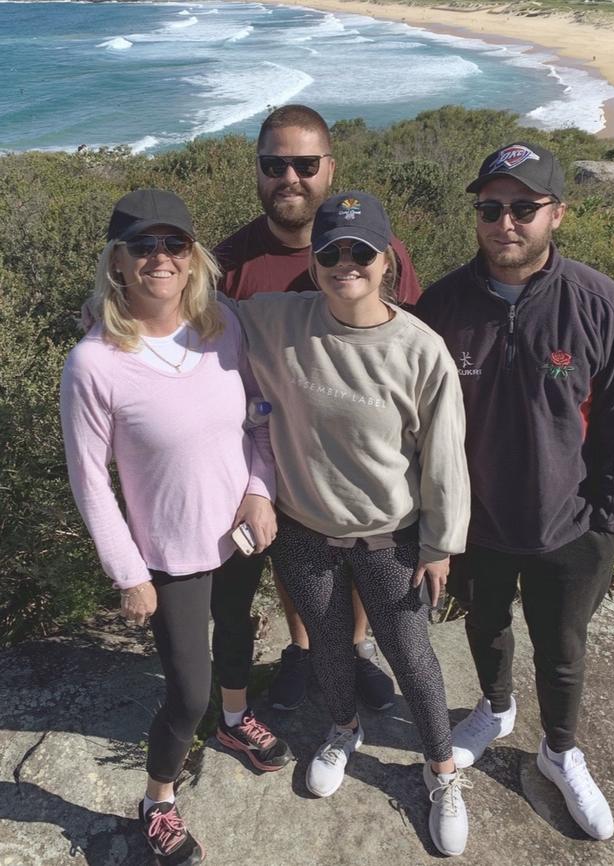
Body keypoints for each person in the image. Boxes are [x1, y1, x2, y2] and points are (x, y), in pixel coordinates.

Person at [222, 191, 472, 857]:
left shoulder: (421, 351)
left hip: (390, 538)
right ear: (313, 260)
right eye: (329, 251)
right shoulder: (278, 320)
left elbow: (445, 458)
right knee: (329, 647)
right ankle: (342, 729)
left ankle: (442, 772)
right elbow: (199, 314)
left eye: (359, 251)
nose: (344, 263)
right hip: (305, 531)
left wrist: (441, 544)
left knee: (413, 659)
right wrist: (112, 312)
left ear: (386, 260)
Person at [415, 142, 614, 841]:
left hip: (569, 527)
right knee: (486, 627)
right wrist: (434, 529)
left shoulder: (599, 303)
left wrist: (609, 522)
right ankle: (496, 707)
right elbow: (419, 424)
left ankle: (560, 750)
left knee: (563, 648)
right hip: (476, 527)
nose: (504, 222)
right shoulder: (443, 305)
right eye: (490, 207)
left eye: (522, 207)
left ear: (557, 214)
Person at [60, 189, 291, 866]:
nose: (159, 258)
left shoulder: (222, 324)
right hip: (170, 554)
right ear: (118, 262)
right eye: (142, 245)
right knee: (185, 690)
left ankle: (234, 721)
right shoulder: (94, 363)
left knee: (240, 629)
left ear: (193, 259)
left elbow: (259, 418)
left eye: (174, 244)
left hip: (240, 531)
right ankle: (158, 799)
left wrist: (259, 491)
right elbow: (89, 481)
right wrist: (128, 573)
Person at [215, 104, 422, 714]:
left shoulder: (380, 249)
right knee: (292, 556)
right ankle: (305, 648)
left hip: (363, 447)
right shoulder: (231, 263)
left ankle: (355, 648)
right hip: (274, 450)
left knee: (359, 550)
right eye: (274, 164)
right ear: (257, 171)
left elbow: (409, 340)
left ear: (330, 169)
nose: (290, 177)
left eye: (305, 164)